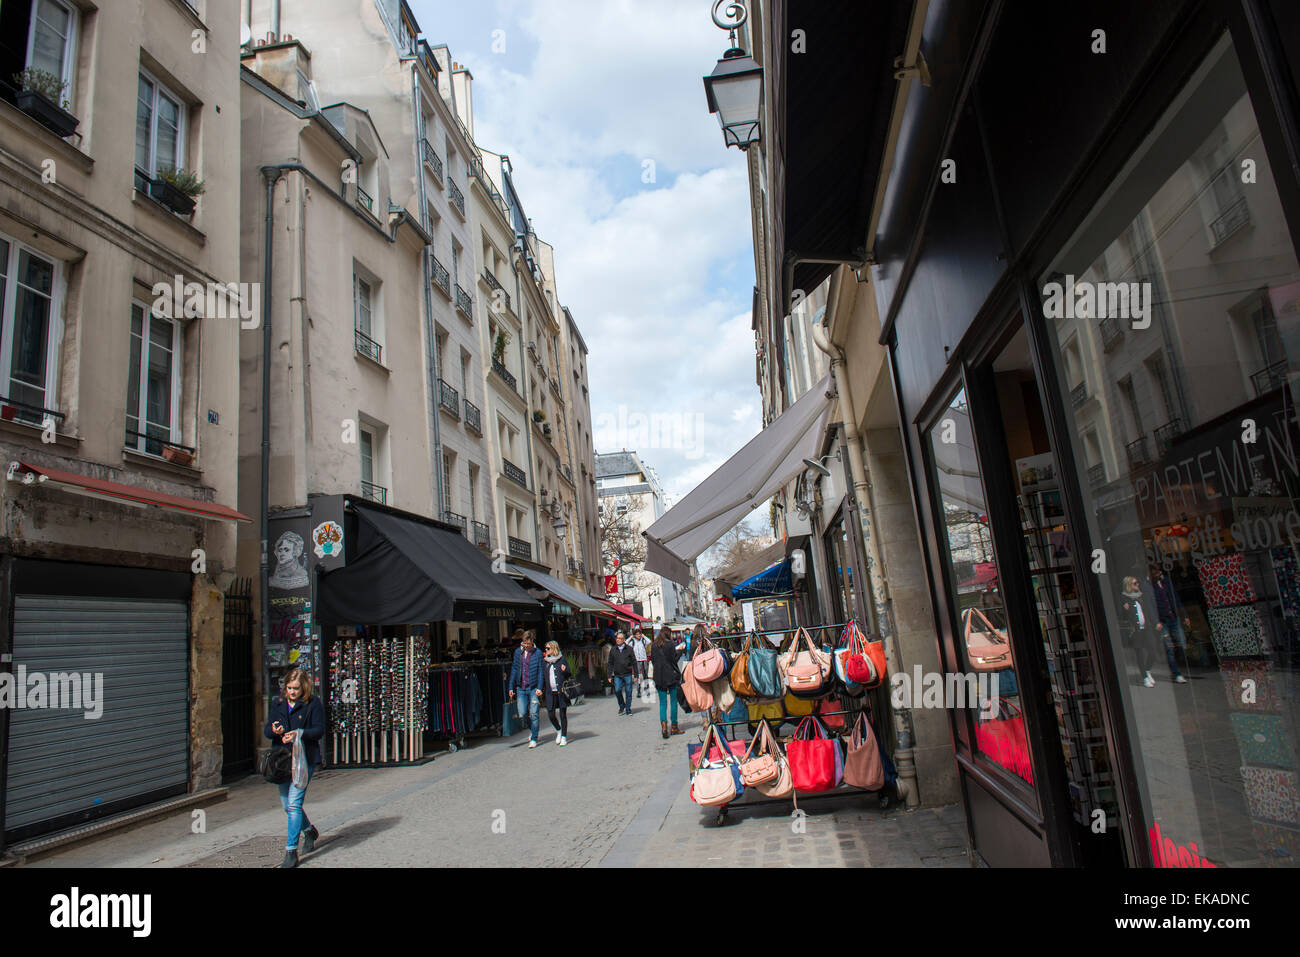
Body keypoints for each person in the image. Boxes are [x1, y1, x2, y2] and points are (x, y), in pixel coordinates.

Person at [264, 667, 325, 868]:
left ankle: (291, 851)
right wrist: (275, 730)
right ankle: (308, 830)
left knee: (294, 804)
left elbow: (318, 730)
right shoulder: (278, 703)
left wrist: (299, 732)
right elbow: (267, 730)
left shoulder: (313, 704)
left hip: (304, 760)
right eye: (289, 688)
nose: (292, 692)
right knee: (287, 806)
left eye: (296, 688)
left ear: (303, 687)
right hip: (282, 762)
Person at [1149, 565, 1190, 683]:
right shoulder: (1151, 587)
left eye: (1159, 573)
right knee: (1169, 648)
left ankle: (1176, 665)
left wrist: (1184, 614)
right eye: (1155, 574)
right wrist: (1155, 621)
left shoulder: (1166, 583)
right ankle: (1176, 673)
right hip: (1162, 621)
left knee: (1182, 643)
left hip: (1173, 617)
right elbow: (1151, 605)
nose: (1158, 575)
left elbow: (1175, 598)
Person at [1119, 575, 1159, 688]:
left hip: (1147, 628)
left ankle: (1147, 669)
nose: (1137, 585)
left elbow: (1148, 610)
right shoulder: (1124, 598)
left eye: (1137, 583)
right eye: (1135, 583)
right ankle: (1144, 677)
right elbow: (1121, 615)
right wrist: (1124, 609)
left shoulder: (1141, 596)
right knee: (1140, 653)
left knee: (1153, 650)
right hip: (1135, 630)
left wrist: (1155, 622)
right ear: (1129, 585)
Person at [509, 629, 544, 747]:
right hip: (521, 688)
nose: (526, 645)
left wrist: (540, 687)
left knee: (534, 714)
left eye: (528, 643)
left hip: (533, 687)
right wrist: (511, 687)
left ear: (532, 641)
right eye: (524, 643)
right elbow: (514, 669)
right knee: (522, 713)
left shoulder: (538, 653)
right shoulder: (518, 652)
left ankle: (534, 737)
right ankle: (533, 730)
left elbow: (540, 671)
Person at [651, 626, 688, 738]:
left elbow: (653, 660)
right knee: (673, 702)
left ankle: (663, 726)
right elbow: (673, 660)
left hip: (659, 676)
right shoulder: (670, 644)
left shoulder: (654, 645)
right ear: (668, 634)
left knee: (662, 703)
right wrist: (680, 652)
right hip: (671, 676)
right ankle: (674, 726)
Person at [538, 640, 573, 745]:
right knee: (551, 714)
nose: (546, 650)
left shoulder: (561, 659)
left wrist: (564, 670)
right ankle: (558, 729)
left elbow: (568, 674)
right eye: (546, 648)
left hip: (561, 691)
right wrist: (539, 688)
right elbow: (542, 677)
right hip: (550, 692)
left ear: (554, 649)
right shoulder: (545, 662)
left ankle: (563, 736)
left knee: (563, 714)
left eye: (548, 648)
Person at [608, 631, 637, 715]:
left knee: (628, 691)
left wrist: (636, 675)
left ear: (624, 640)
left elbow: (634, 662)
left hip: (627, 673)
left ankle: (628, 709)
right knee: (617, 690)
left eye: (620, 639)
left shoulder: (629, 649)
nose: (618, 640)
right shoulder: (613, 649)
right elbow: (610, 663)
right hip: (617, 674)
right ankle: (622, 705)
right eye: (617, 638)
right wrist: (609, 675)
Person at [630, 627, 651, 696]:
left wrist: (644, 636)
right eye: (637, 634)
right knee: (637, 676)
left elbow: (649, 641)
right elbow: (626, 643)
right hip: (636, 661)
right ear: (634, 635)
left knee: (645, 676)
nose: (639, 635)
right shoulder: (633, 642)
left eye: (639, 634)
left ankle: (647, 689)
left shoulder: (643, 641)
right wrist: (630, 637)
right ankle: (638, 690)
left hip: (644, 660)